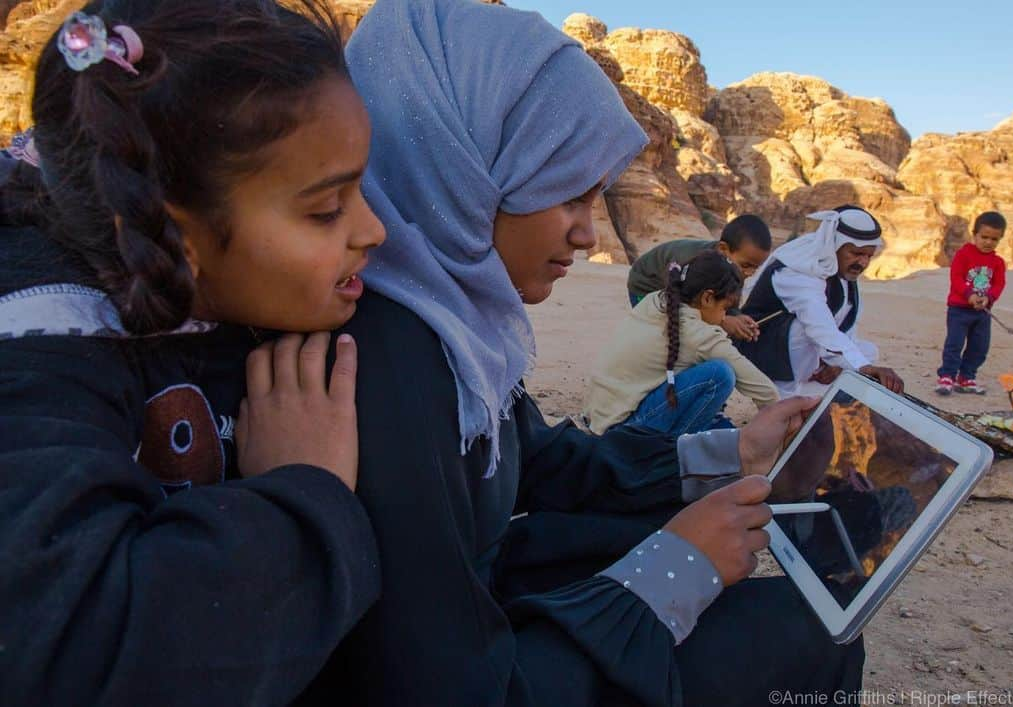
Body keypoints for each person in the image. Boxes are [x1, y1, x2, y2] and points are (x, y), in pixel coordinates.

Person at [293, 2, 864, 705]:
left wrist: (738, 453)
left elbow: (540, 459)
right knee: (810, 636)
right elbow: (447, 680)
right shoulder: (387, 361)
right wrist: (673, 571)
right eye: (568, 195)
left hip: (480, 613)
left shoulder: (448, 326)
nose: (589, 236)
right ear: (471, 167)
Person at [0, 2, 386, 703]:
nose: (375, 229)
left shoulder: (257, 303)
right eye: (327, 210)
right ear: (179, 237)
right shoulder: (31, 352)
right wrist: (305, 494)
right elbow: (76, 649)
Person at [585, 251, 779, 436]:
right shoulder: (699, 335)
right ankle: (670, 451)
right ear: (707, 298)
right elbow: (765, 392)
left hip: (599, 417)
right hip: (622, 429)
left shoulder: (655, 300)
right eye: (725, 309)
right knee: (720, 374)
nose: (724, 317)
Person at [738, 206, 904, 398]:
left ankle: (812, 396)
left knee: (867, 351)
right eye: (856, 253)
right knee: (803, 329)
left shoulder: (840, 270)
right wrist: (860, 366)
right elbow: (818, 325)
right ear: (834, 243)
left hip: (806, 356)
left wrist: (838, 364)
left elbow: (845, 324)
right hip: (760, 351)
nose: (863, 263)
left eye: (868, 255)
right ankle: (783, 398)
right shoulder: (798, 269)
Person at [627, 214, 772, 341]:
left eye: (756, 267)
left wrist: (737, 317)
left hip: (676, 289)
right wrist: (723, 321)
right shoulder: (693, 262)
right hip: (647, 283)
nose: (750, 273)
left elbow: (728, 300)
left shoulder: (735, 269)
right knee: (664, 334)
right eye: (746, 265)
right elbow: (681, 303)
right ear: (723, 249)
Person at [935, 211, 1008, 395]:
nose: (988, 242)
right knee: (955, 344)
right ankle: (947, 376)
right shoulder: (964, 254)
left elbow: (999, 284)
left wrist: (988, 298)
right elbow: (957, 277)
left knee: (980, 347)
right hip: (959, 310)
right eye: (984, 237)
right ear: (974, 234)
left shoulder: (998, 262)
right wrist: (969, 294)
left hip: (983, 312)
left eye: (994, 239)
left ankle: (966, 377)